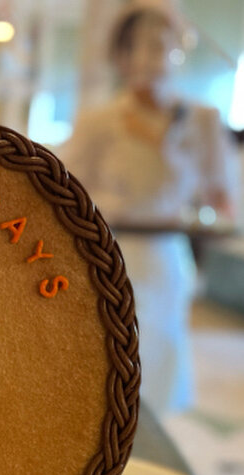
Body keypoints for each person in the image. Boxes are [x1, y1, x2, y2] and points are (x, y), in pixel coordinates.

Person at [61, 0, 238, 415]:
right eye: (136, 47)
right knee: (111, 360)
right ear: (120, 56)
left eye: (159, 45)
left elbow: (221, 197)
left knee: (159, 356)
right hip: (112, 251)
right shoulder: (98, 120)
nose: (147, 58)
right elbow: (68, 190)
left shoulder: (202, 120)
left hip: (167, 256)